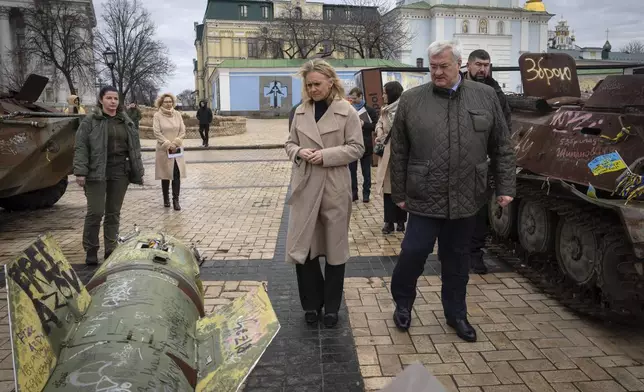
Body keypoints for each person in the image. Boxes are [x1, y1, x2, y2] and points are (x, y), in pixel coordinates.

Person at [389, 40, 516, 342]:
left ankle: (456, 314)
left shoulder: (485, 96)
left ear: (458, 64)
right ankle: (403, 304)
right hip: (423, 195)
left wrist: (506, 185)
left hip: (466, 195)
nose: (437, 72)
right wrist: (399, 194)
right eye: (432, 66)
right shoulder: (411, 99)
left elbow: (501, 145)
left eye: (443, 66)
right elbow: (399, 150)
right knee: (413, 253)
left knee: (457, 260)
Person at [285, 59, 364, 328]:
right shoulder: (299, 111)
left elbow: (356, 148)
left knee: (334, 250)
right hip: (305, 186)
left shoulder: (347, 112)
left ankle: (331, 307)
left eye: (317, 84)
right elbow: (289, 143)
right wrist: (298, 152)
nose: (313, 89)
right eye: (309, 85)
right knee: (303, 250)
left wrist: (325, 155)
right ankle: (311, 305)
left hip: (333, 186)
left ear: (331, 81)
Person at [73, 86, 144, 265]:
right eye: (109, 98)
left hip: (120, 172)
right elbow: (81, 147)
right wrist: (80, 171)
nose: (113, 102)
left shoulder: (124, 120)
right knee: (96, 212)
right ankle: (91, 249)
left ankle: (110, 248)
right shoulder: (90, 121)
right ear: (101, 100)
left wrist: (136, 169)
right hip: (96, 172)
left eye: (115, 99)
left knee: (113, 213)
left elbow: (134, 145)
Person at [463, 49, 512, 274]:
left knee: (480, 211)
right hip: (458, 158)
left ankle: (475, 253)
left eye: (486, 65)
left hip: (483, 160)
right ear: (468, 65)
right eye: (479, 64)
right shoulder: (457, 88)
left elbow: (503, 127)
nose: (483, 69)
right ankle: (454, 252)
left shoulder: (495, 92)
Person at [374, 81, 407, 234]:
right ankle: (388, 222)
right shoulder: (385, 110)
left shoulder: (404, 109)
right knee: (388, 191)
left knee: (400, 190)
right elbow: (379, 124)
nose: (382, 95)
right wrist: (380, 134)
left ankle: (401, 222)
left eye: (385, 92)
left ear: (392, 93)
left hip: (400, 155)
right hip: (386, 156)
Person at [153, 93, 187, 211]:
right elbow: (157, 132)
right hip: (164, 150)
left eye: (170, 101)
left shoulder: (177, 114)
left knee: (176, 175)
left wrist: (175, 143)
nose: (169, 104)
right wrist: (168, 144)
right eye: (166, 102)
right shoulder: (157, 115)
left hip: (176, 150)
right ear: (161, 103)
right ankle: (166, 198)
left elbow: (183, 131)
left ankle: (176, 200)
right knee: (166, 175)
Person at [347, 87, 378, 202]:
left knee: (366, 172)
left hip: (366, 145)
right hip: (351, 144)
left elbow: (375, 126)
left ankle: (366, 194)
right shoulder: (349, 110)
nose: (353, 100)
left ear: (361, 96)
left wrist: (364, 124)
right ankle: (354, 194)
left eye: (355, 98)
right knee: (351, 172)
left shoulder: (369, 110)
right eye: (351, 98)